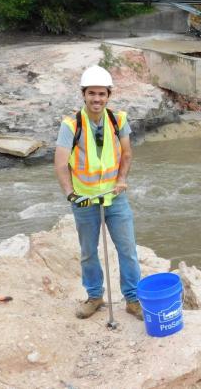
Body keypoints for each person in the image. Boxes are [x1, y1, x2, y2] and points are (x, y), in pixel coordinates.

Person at [53, 65, 142, 320]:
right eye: (92, 93)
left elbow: (126, 153)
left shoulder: (118, 119)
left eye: (102, 94)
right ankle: (94, 296)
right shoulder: (71, 125)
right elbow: (60, 163)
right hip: (85, 200)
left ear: (108, 95)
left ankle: (133, 300)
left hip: (115, 197)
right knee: (89, 252)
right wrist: (71, 194)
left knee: (127, 249)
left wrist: (122, 179)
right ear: (84, 94)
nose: (96, 99)